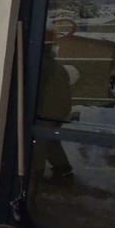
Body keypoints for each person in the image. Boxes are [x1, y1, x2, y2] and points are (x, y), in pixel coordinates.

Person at [34, 32, 74, 185]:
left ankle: (35, 176)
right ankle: (63, 169)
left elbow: (41, 92)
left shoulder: (43, 66)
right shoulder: (55, 66)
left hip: (46, 112)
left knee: (40, 144)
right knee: (50, 142)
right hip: (57, 111)